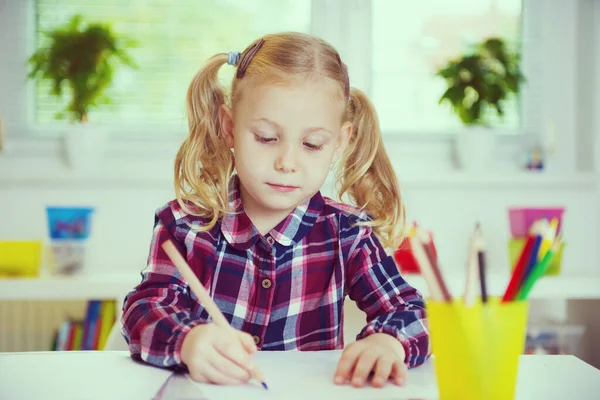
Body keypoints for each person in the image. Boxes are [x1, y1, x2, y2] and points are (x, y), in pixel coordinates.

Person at [121, 31, 430, 389]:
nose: (287, 162)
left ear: (339, 143)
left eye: (312, 144)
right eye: (267, 138)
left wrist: (387, 342)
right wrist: (187, 341)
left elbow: (412, 311)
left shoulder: (348, 233)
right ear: (229, 128)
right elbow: (142, 310)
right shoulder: (185, 227)